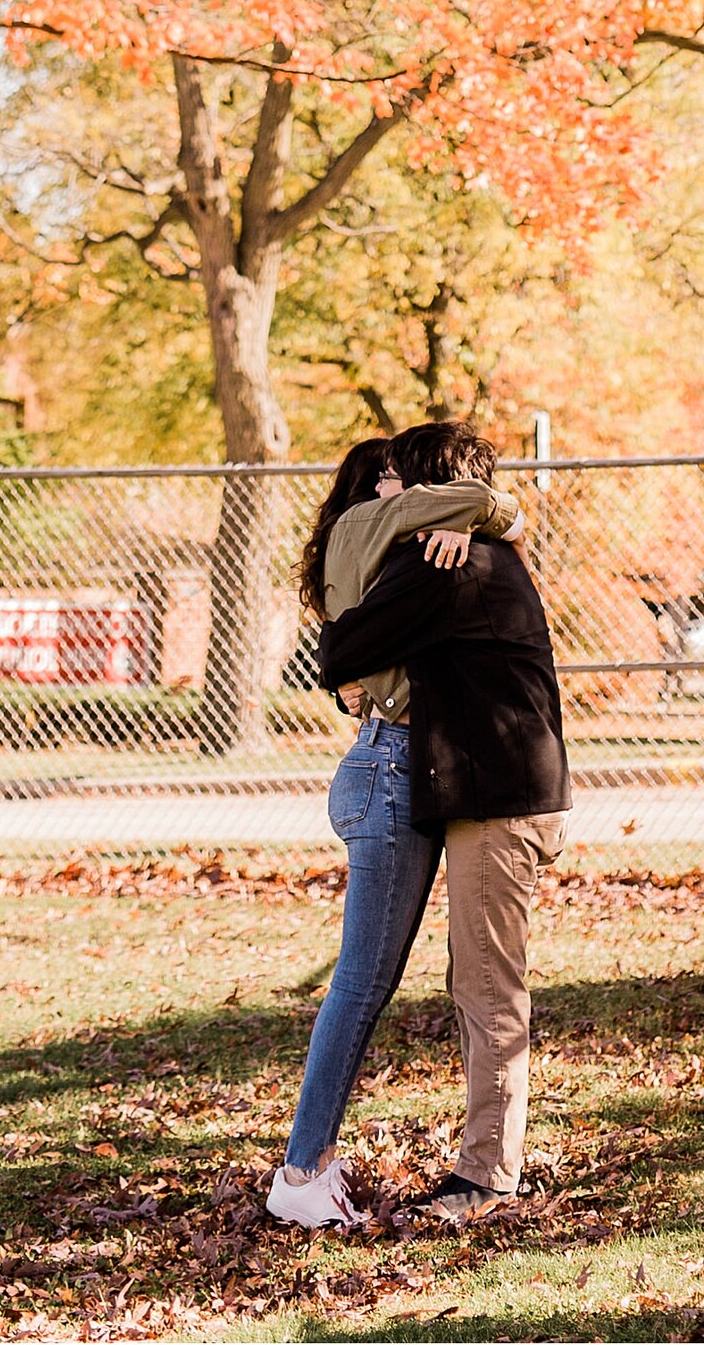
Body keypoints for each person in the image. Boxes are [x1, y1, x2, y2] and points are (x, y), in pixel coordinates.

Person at [316, 419, 572, 1226]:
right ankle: (486, 1165)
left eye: (395, 478)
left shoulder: (446, 566)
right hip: (495, 796)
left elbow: (339, 646)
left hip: (499, 805)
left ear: (426, 488)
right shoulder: (465, 550)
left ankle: (487, 1178)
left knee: (488, 988)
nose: (383, 491)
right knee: (480, 984)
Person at [264, 428, 520, 1232]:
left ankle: (311, 1162)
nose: (396, 493)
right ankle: (303, 1169)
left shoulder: (374, 544)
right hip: (390, 764)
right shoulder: (384, 529)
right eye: (387, 482)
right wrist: (467, 514)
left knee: (370, 980)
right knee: (363, 980)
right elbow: (485, 501)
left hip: (401, 759)